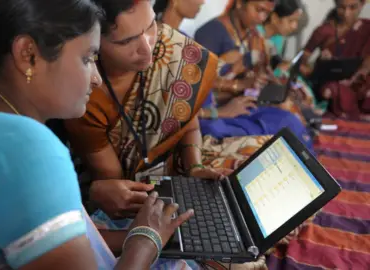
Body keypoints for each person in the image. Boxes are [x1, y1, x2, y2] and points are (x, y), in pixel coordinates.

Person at [0, 0, 194, 269]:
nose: (97, 79)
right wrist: (145, 241)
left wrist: (134, 235)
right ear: (28, 55)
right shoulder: (23, 146)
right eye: (87, 59)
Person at [64, 1, 268, 269]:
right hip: (138, 196)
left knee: (254, 189)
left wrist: (194, 167)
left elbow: (188, 122)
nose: (148, 48)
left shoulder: (173, 51)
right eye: (127, 41)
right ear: (94, 42)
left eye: (151, 26)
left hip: (179, 174)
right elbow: (119, 186)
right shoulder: (87, 96)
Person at [194, 0, 313, 149]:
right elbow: (196, 82)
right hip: (217, 111)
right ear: (239, 3)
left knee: (290, 121)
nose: (262, 18)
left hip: (244, 104)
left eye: (267, 13)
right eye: (258, 10)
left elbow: (259, 69)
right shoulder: (211, 33)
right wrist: (237, 85)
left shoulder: (254, 34)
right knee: (279, 129)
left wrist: (267, 83)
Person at [301, 0, 370, 120]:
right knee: (331, 90)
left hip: (359, 80)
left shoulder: (367, 28)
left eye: (353, 7)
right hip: (331, 82)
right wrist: (315, 68)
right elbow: (302, 61)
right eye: (341, 8)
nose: (346, 13)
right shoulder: (324, 31)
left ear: (362, 4)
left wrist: (358, 75)